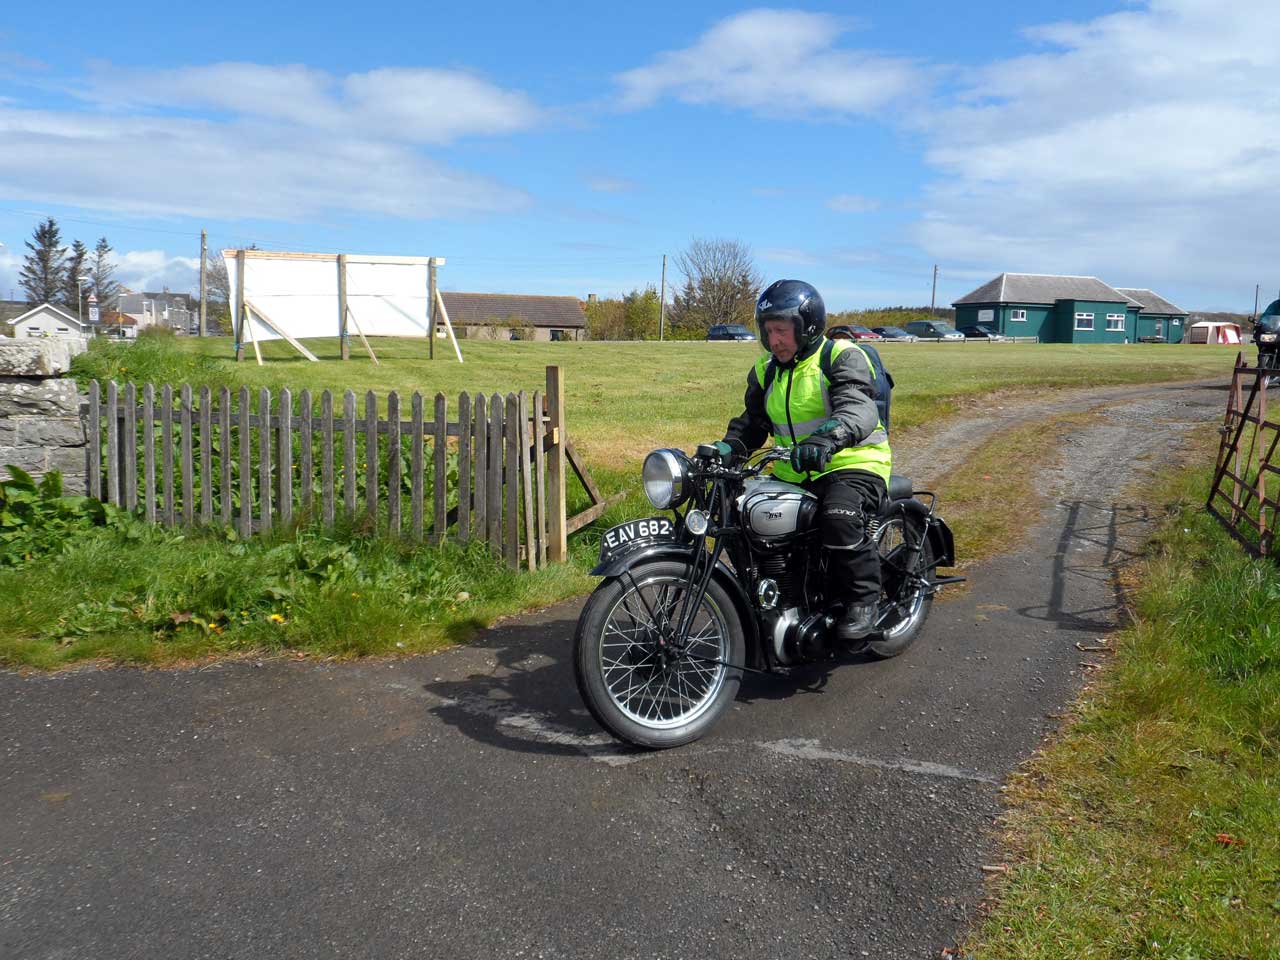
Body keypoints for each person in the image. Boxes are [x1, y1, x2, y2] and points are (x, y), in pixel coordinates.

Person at [711, 280, 892, 642]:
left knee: (837, 517)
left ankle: (864, 600)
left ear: (807, 326)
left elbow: (858, 407)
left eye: (782, 330)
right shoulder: (766, 371)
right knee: (740, 513)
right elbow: (752, 424)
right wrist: (727, 450)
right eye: (768, 330)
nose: (774, 339)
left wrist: (828, 437)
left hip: (852, 463)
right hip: (792, 471)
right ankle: (777, 594)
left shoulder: (840, 355)